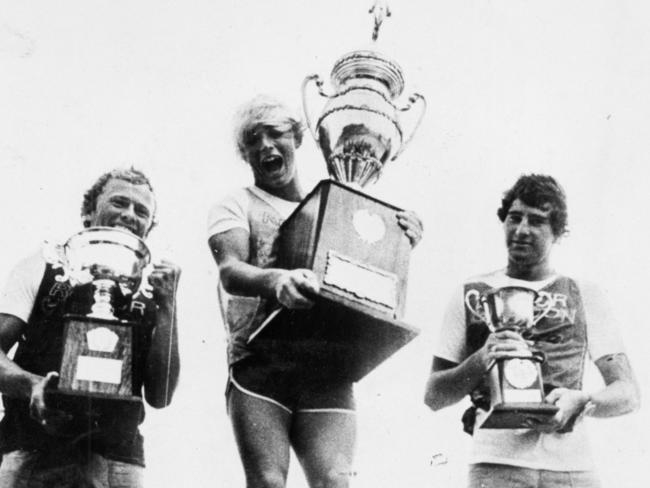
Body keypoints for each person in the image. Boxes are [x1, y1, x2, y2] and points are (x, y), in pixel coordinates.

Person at [207, 95, 423, 488]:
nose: (266, 147)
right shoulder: (236, 203)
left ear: (297, 139)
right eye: (253, 141)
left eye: (275, 135)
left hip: (327, 366)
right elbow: (231, 269)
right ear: (245, 154)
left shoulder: (335, 202)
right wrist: (277, 281)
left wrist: (398, 236)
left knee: (335, 484)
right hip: (261, 363)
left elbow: (362, 265)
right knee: (269, 482)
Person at [424, 174, 640, 488]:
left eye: (537, 221)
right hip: (496, 467)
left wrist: (580, 402)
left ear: (558, 233)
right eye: (514, 218)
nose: (522, 230)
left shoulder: (584, 293)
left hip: (573, 469)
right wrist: (481, 360)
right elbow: (433, 396)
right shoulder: (470, 293)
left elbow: (627, 393)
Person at [0, 168, 181, 487]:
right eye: (119, 203)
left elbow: (160, 395)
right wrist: (32, 385)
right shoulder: (44, 265)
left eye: (141, 211)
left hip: (118, 459)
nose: (129, 215)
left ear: (148, 228)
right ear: (88, 213)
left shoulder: (155, 291)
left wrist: (168, 306)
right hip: (31, 447)